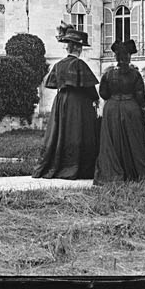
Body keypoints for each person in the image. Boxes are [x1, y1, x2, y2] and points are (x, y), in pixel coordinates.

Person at [32, 23, 100, 180]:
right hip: (78, 103)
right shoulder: (79, 64)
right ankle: (78, 167)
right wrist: (96, 100)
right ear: (78, 48)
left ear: (68, 48)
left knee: (60, 132)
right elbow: (89, 88)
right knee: (78, 132)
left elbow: (52, 83)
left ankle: (57, 165)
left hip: (61, 101)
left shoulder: (58, 64)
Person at [94, 39, 145, 185]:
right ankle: (136, 173)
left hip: (112, 109)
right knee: (134, 142)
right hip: (131, 108)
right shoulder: (135, 75)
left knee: (112, 142)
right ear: (129, 57)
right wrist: (143, 113)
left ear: (116, 57)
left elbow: (103, 93)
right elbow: (140, 96)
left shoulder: (108, 75)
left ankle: (112, 173)